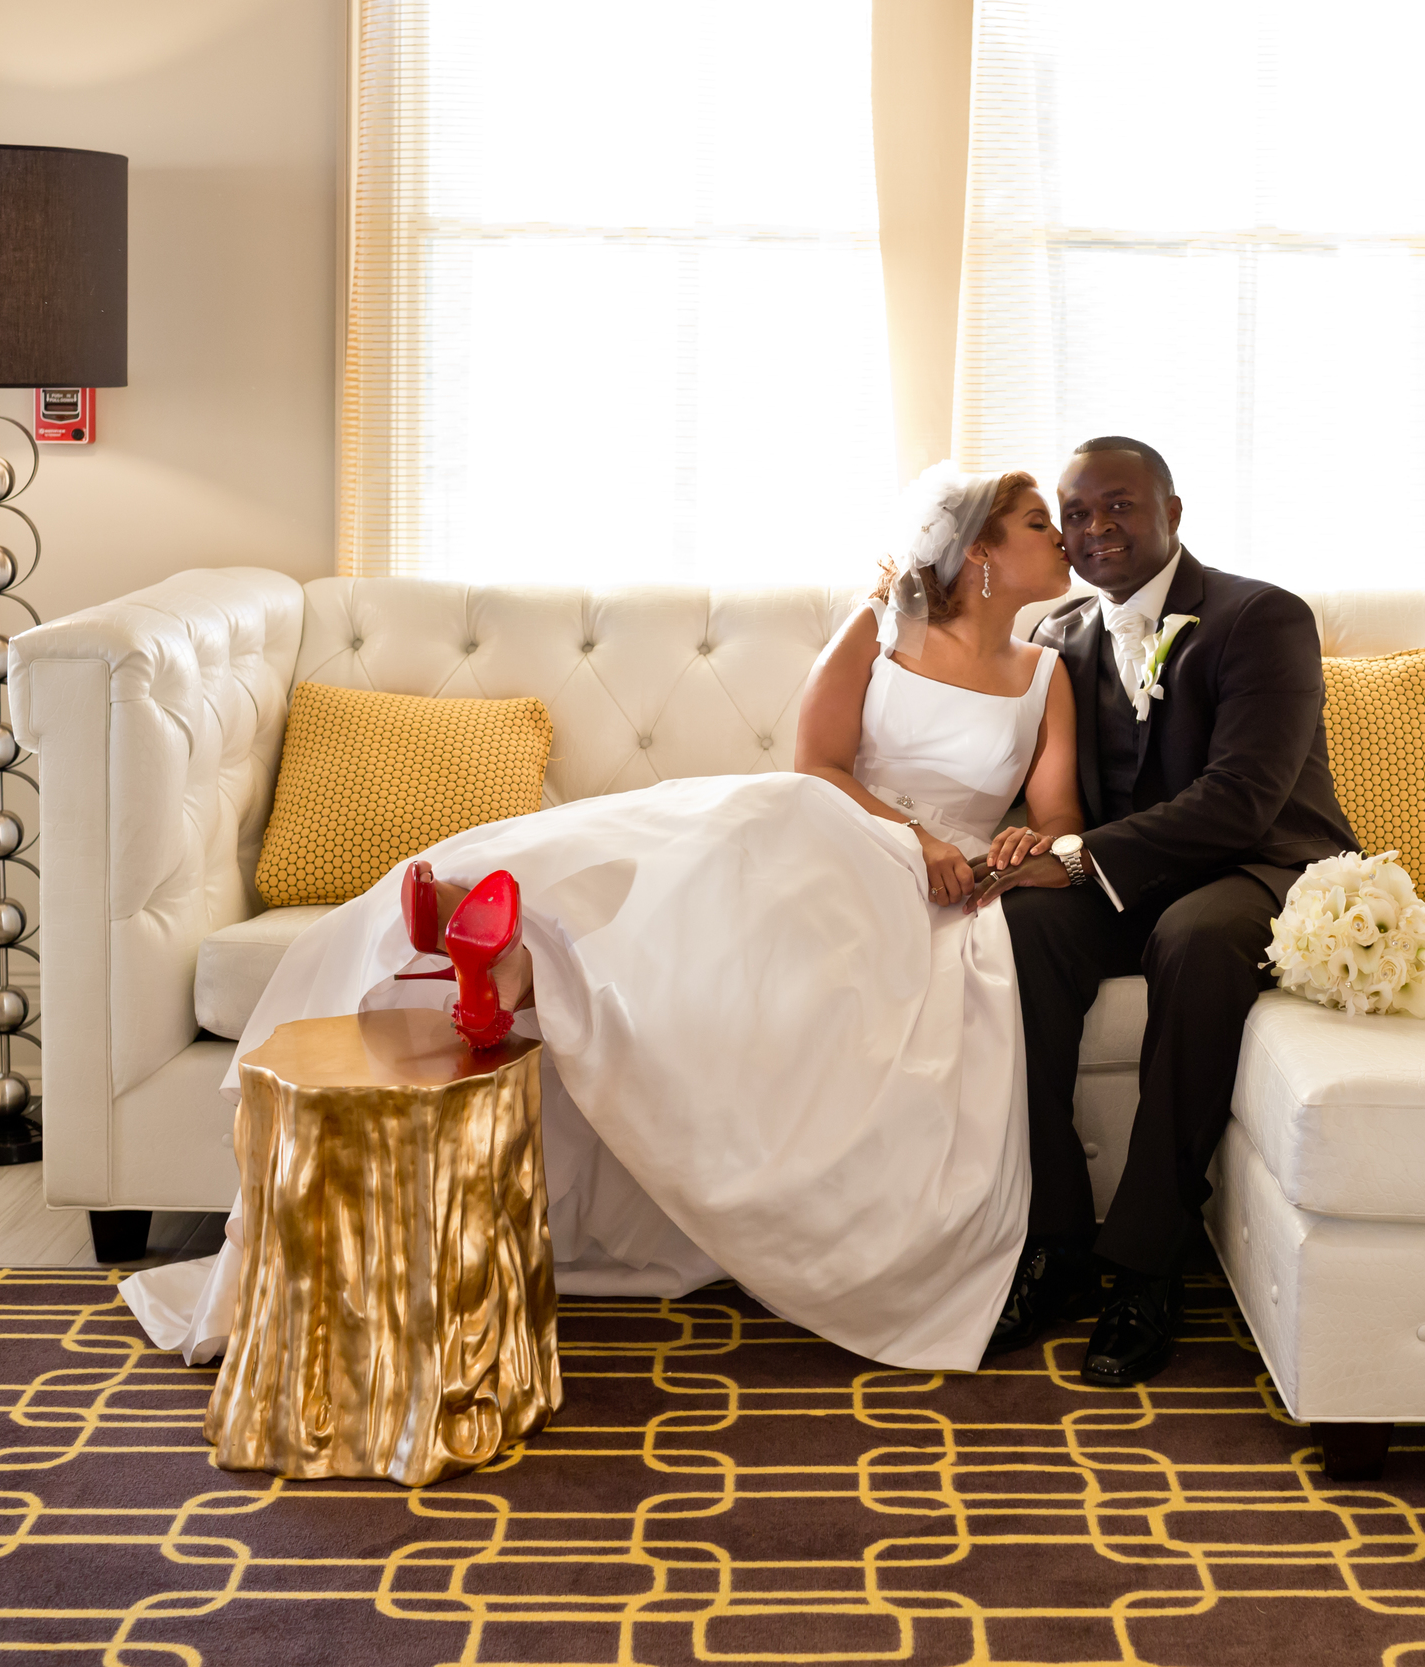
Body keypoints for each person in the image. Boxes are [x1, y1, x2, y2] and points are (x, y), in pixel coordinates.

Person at [120, 466, 1084, 1373]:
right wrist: (913, 838)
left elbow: (1060, 825)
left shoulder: (1048, 674)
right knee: (750, 829)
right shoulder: (880, 628)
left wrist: (1011, 854)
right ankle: (516, 933)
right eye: (1043, 522)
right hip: (849, 832)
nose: (1067, 537)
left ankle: (526, 962)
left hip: (945, 896)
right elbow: (818, 761)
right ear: (982, 551)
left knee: (767, 917)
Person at [971, 436, 1360, 1387]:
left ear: (1173, 513)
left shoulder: (1259, 616)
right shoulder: (1057, 636)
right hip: (1125, 877)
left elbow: (1243, 797)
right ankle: (1054, 1239)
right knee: (1020, 932)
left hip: (1257, 866)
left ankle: (1147, 1261)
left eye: (1120, 506)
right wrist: (1028, 852)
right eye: (1077, 514)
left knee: (1193, 939)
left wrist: (1079, 857)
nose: (1096, 528)